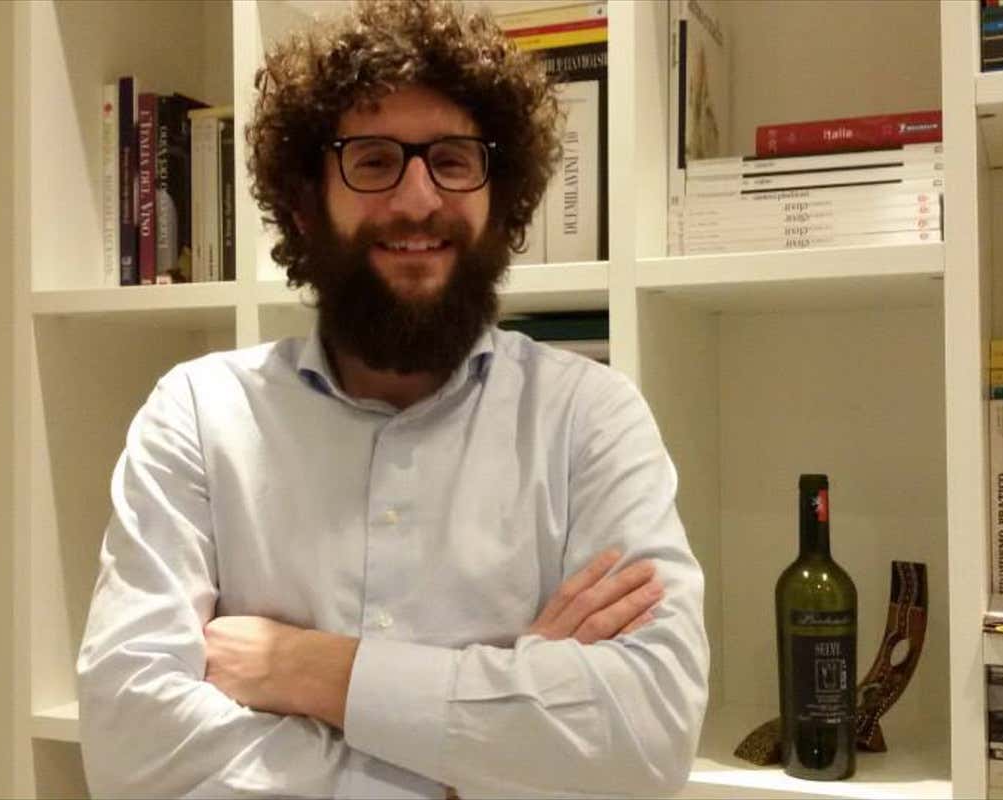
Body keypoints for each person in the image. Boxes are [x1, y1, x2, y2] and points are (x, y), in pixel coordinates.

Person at [77, 1, 709, 797]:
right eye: (373, 162)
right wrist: (484, 749)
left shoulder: (590, 419)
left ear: (502, 198)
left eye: (452, 160)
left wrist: (309, 670)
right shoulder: (199, 416)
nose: (417, 200)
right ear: (305, 204)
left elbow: (646, 738)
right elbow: (132, 746)